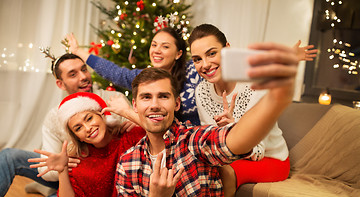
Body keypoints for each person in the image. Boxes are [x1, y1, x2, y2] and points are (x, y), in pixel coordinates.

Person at [18, 46, 299, 197]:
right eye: (146, 98)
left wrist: (276, 97)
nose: (155, 105)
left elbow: (236, 139)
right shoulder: (129, 161)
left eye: (163, 96)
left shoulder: (194, 141)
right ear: (136, 106)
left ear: (176, 103)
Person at [67, 29, 317, 126]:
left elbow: (237, 62)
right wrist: (80, 52)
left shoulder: (196, 68)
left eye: (165, 46)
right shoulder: (146, 77)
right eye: (154, 45)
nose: (156, 50)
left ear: (178, 54)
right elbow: (116, 73)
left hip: (207, 134)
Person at [0, 53, 131, 197]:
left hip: (100, 183)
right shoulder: (54, 116)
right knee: (8, 156)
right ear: (60, 84)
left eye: (84, 69)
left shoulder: (115, 100)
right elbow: (46, 170)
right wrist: (66, 164)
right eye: (73, 74)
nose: (84, 77)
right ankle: (48, 189)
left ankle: (47, 193)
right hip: (68, 177)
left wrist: (133, 117)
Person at [187, 23, 291, 197]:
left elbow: (258, 151)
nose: (205, 64)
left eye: (211, 53)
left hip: (270, 159)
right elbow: (208, 139)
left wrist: (234, 130)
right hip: (227, 156)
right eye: (197, 59)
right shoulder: (201, 90)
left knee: (223, 172)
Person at [28, 92, 145, 197]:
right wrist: (62, 171)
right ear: (76, 136)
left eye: (89, 118)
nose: (88, 128)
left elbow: (165, 134)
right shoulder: (79, 160)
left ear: (102, 114)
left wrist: (134, 117)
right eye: (78, 128)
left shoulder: (130, 134)